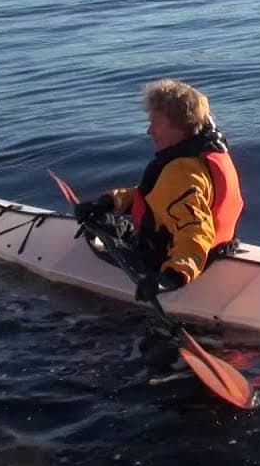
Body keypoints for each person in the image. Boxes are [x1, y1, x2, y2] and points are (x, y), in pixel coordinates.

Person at [75, 79, 244, 303]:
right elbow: (157, 195)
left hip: (171, 258)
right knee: (108, 215)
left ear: (179, 126)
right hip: (222, 248)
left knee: (100, 227)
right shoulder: (203, 155)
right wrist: (110, 201)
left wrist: (171, 277)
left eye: (155, 123)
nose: (149, 131)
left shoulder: (181, 174)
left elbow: (195, 230)